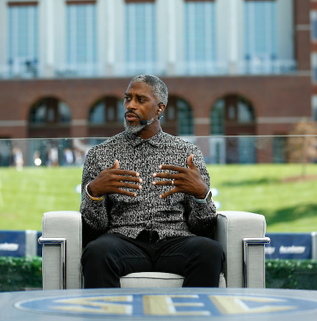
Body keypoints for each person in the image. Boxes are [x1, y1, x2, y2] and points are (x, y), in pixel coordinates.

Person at [80, 75, 224, 288]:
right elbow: (93, 229)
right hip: (122, 241)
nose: (130, 105)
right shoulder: (100, 154)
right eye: (127, 98)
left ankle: (194, 319)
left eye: (140, 99)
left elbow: (202, 227)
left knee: (210, 250)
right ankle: (106, 319)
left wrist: (202, 195)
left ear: (159, 109)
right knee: (97, 251)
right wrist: (94, 193)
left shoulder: (187, 153)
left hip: (175, 242)